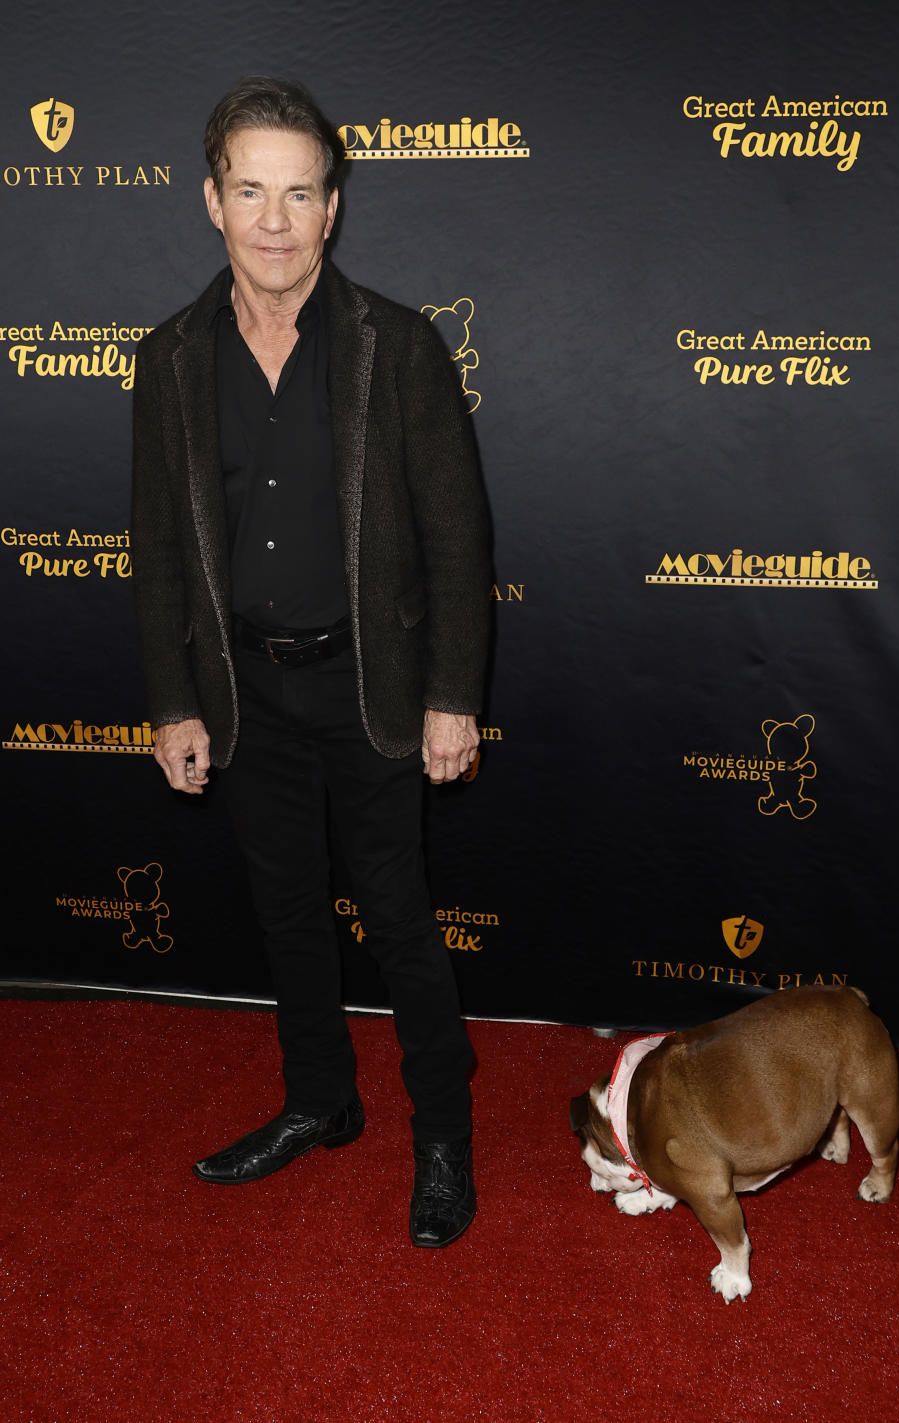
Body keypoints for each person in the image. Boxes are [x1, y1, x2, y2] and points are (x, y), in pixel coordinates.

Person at [131, 76, 491, 1248]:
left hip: (370, 687)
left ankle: (440, 1132)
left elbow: (456, 538)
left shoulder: (399, 348)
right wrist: (175, 699)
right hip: (247, 688)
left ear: (333, 208)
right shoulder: (169, 358)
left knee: (397, 915)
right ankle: (320, 1101)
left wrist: (450, 694)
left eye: (299, 194)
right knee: (288, 913)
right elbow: (159, 553)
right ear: (211, 201)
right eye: (251, 191)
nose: (275, 221)